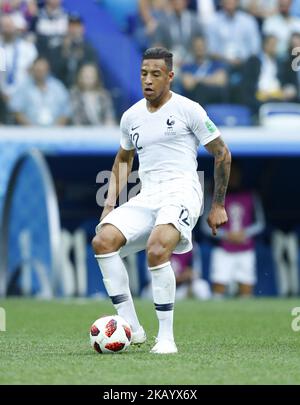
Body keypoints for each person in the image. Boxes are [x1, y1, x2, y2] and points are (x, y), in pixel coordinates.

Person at [92, 47, 231, 354]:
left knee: (156, 249)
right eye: (143, 73)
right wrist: (109, 204)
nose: (148, 80)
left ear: (170, 76)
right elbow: (124, 159)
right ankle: (132, 328)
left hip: (183, 191)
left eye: (156, 74)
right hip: (148, 194)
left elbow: (222, 153)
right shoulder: (131, 116)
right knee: (103, 241)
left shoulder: (189, 109)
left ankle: (166, 338)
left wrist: (218, 204)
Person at [202, 161, 265, 298]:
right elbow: (204, 226)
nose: (233, 177)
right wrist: (227, 235)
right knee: (219, 288)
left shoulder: (250, 195)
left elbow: (260, 223)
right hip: (223, 249)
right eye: (229, 174)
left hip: (245, 249)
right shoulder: (214, 195)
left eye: (235, 174)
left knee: (246, 290)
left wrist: (245, 233)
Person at [9, 56, 71, 126]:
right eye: (38, 70)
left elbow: (66, 111)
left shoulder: (58, 87)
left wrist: (56, 129)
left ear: (48, 70)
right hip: (29, 131)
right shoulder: (23, 87)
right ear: (33, 70)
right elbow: (16, 110)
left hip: (55, 132)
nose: (40, 73)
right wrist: (30, 128)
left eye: (43, 70)